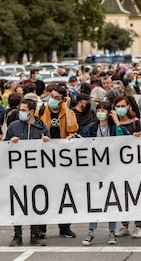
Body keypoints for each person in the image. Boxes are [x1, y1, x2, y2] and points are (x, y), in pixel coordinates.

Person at [80, 101, 129, 245]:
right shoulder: (92, 127)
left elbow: (126, 138)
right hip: (95, 172)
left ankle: (112, 232)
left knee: (111, 201)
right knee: (93, 202)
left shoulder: (115, 127)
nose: (100, 112)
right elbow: (80, 140)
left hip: (112, 171)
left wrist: (117, 121)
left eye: (104, 110)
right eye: (99, 110)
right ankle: (91, 231)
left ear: (109, 112)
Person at [6, 98, 50, 246]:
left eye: (24, 110)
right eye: (20, 109)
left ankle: (35, 234)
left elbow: (50, 150)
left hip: (35, 173)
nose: (21, 112)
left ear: (31, 111)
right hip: (17, 173)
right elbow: (4, 146)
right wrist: (10, 142)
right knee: (18, 203)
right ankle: (17, 235)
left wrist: (46, 142)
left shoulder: (42, 127)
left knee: (34, 204)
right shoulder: (13, 126)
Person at [36, 85, 79, 238]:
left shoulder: (69, 112)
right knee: (43, 193)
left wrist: (66, 109)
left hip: (62, 160)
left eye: (56, 98)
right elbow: (35, 129)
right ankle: (41, 228)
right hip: (44, 160)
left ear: (63, 100)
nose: (52, 100)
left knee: (63, 192)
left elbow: (73, 128)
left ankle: (64, 227)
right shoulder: (41, 111)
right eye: (51, 96)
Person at [111, 95, 141, 238]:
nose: (120, 109)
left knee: (136, 195)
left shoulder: (136, 123)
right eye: (117, 107)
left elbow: (126, 138)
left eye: (122, 106)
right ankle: (124, 225)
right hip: (118, 166)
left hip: (135, 166)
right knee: (122, 196)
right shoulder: (112, 123)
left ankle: (138, 226)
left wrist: (118, 124)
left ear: (129, 107)